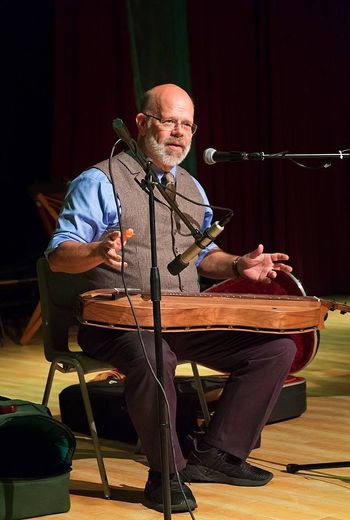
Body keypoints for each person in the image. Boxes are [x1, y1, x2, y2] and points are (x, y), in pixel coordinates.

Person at [46, 83, 296, 513]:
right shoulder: (100, 180)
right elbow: (57, 255)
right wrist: (95, 250)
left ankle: (218, 454)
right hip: (118, 322)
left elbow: (203, 258)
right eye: (169, 121)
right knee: (153, 356)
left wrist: (238, 265)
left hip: (184, 318)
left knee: (275, 349)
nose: (179, 133)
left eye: (187, 125)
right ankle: (166, 472)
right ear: (142, 123)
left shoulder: (192, 189)